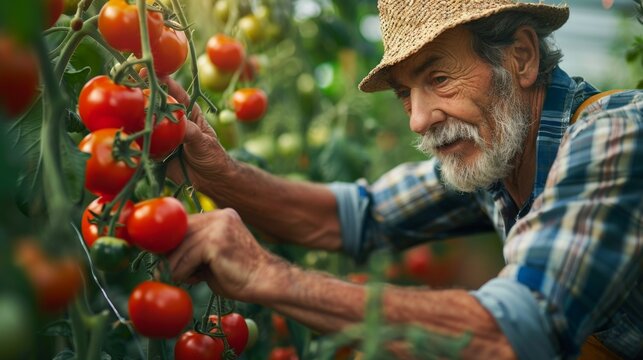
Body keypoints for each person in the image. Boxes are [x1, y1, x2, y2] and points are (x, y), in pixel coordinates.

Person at [164, 0, 643, 358]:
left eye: (438, 79)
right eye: (404, 94)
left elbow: (517, 330)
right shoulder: (498, 150)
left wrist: (266, 275)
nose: (418, 119)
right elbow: (360, 217)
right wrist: (218, 174)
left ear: (520, 57)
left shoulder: (616, 134)